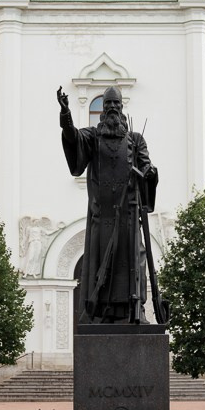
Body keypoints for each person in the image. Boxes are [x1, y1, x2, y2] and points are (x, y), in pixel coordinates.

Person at [57, 84, 166, 325]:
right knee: (101, 264)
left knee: (132, 263)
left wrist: (149, 173)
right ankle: (101, 312)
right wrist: (66, 115)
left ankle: (133, 311)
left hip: (129, 215)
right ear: (102, 110)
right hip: (102, 216)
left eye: (117, 103)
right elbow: (73, 139)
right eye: (108, 104)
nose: (113, 108)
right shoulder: (93, 137)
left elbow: (146, 165)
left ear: (122, 108)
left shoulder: (136, 140)